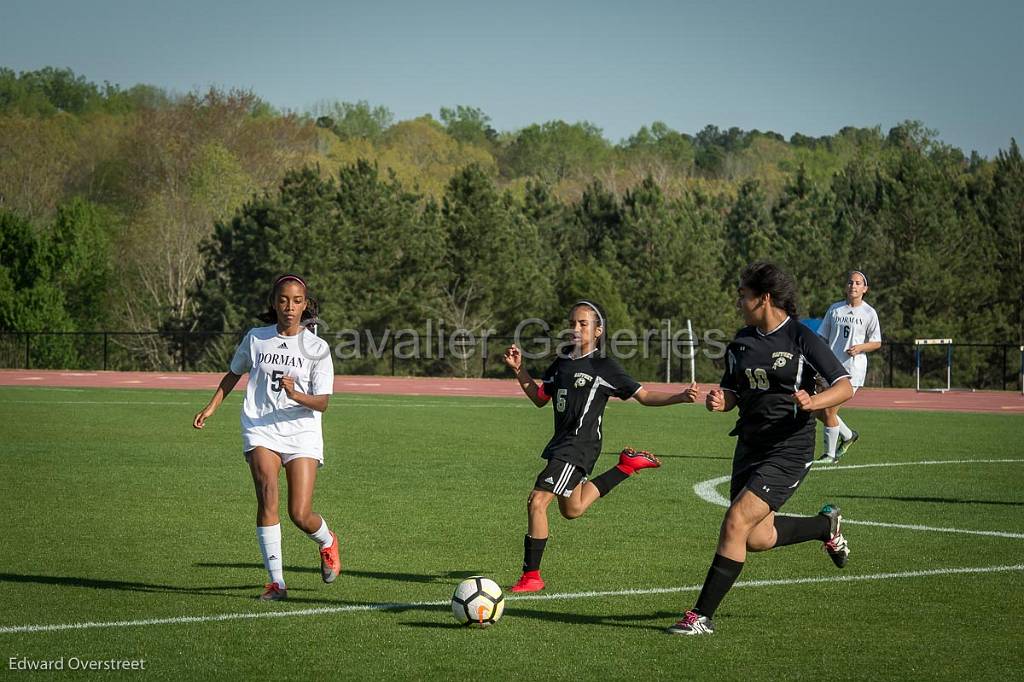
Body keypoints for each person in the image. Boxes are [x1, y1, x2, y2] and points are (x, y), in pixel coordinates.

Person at [666, 263, 853, 636]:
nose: (739, 301)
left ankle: (701, 615)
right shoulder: (740, 342)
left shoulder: (802, 338)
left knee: (735, 522)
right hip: (750, 445)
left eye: (743, 294)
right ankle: (824, 525)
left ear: (764, 298)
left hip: (789, 447)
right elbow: (734, 391)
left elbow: (844, 386)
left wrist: (814, 403)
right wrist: (722, 400)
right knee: (756, 537)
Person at [503, 300, 699, 593]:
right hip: (561, 444)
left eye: (583, 323)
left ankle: (532, 576)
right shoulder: (563, 360)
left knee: (537, 501)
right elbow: (540, 397)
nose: (575, 328)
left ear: (598, 330)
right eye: (572, 323)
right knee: (573, 509)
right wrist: (520, 371)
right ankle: (626, 466)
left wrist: (679, 396)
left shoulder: (604, 366)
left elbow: (643, 395)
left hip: (578, 446)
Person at [193, 274, 339, 601]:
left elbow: (324, 403)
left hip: (301, 432)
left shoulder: (317, 348)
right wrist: (211, 407)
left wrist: (296, 394)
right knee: (267, 494)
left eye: (297, 301)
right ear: (274, 303)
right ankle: (277, 584)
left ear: (306, 305)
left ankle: (328, 541)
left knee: (299, 514)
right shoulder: (256, 338)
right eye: (284, 300)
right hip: (261, 427)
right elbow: (234, 372)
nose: (290, 307)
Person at [815, 270, 882, 462]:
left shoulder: (869, 313)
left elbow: (877, 342)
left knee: (828, 411)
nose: (853, 286)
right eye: (851, 282)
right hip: (830, 368)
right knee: (819, 411)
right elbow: (822, 337)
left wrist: (861, 347)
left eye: (858, 283)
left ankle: (830, 455)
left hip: (852, 371)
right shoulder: (835, 309)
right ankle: (848, 435)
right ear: (846, 286)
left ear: (865, 289)